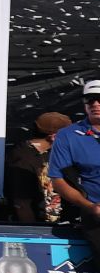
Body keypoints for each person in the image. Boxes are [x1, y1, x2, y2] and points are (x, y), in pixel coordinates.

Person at [46, 81, 100, 260]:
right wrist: (89, 207)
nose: (95, 104)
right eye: (89, 100)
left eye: (99, 99)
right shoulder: (68, 135)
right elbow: (58, 179)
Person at [5, 111, 71, 224]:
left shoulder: (52, 153)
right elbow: (21, 203)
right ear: (54, 137)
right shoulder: (22, 158)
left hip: (58, 225)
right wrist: (34, 231)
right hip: (38, 229)